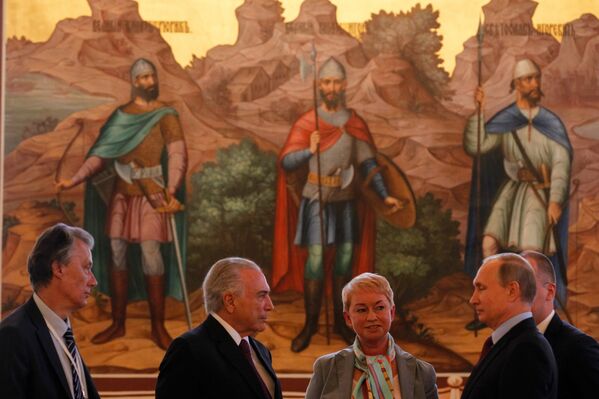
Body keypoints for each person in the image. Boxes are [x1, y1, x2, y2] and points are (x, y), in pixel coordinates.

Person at [273, 57, 404, 352]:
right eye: (326, 82)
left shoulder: (353, 123)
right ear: (320, 86)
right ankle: (310, 325)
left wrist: (385, 196)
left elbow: (369, 165)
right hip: (315, 199)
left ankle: (340, 324)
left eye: (336, 82)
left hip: (344, 203)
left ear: (344, 85)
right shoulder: (309, 123)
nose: (331, 87)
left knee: (344, 263)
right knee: (316, 261)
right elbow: (286, 162)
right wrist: (309, 149)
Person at [56, 58, 187, 349]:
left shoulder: (166, 115)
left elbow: (177, 153)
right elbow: (100, 155)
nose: (147, 82)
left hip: (153, 193)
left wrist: (173, 189)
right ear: (133, 81)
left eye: (151, 76)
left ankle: (158, 327)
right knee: (116, 254)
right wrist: (72, 180)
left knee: (151, 255)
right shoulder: (121, 116)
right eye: (141, 77)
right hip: (122, 194)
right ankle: (118, 323)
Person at [463, 58, 572, 310]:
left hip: (539, 196)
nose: (534, 83)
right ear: (517, 84)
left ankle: (528, 308)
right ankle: (490, 301)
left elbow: (560, 165)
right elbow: (477, 145)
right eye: (528, 79)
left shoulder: (551, 124)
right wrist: (479, 111)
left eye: (536, 78)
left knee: (531, 253)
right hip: (512, 193)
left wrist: (555, 201)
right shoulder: (506, 121)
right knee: (489, 243)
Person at [155, 257, 282, 399]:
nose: (270, 305)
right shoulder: (188, 350)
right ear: (230, 301)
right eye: (261, 296)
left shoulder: (261, 351)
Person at [0, 223, 100, 399]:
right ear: (58, 268)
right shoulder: (13, 336)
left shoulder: (64, 335)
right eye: (86, 267)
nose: (93, 281)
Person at [305, 273, 438, 399]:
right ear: (348, 318)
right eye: (361, 310)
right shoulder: (326, 368)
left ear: (391, 313)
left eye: (379, 308)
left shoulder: (422, 373)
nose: (371, 317)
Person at [462, 253, 557, 399]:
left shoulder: (527, 349)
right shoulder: (510, 343)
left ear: (512, 291)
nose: (473, 299)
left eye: (481, 288)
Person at [522, 250, 599, 399]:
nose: (518, 294)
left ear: (550, 292)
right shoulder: (507, 343)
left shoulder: (578, 347)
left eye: (527, 285)